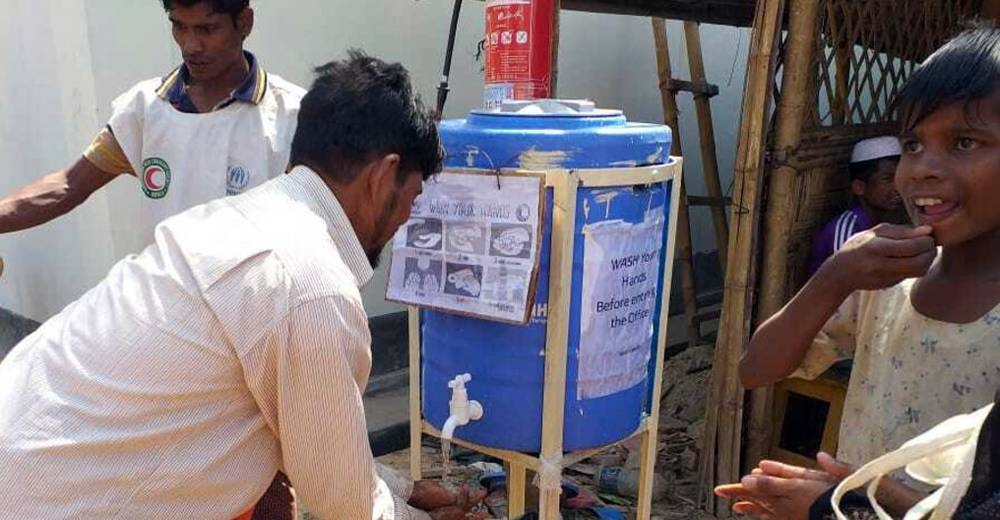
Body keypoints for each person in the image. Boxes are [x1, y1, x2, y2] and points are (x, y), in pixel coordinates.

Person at [0, 51, 484, 520]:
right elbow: (345, 506)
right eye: (413, 197)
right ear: (383, 176)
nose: (406, 219)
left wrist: (402, 488)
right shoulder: (310, 284)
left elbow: (319, 450)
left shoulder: (244, 219)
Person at [729, 25, 1000, 518]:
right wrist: (834, 278)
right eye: (913, 144)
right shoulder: (879, 274)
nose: (921, 168)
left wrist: (850, 505)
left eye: (963, 142)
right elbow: (756, 370)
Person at [0, 0, 304, 243]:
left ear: (245, 23)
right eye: (179, 26)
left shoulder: (293, 116)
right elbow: (69, 185)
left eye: (207, 29)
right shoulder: (147, 109)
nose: (190, 45)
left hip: (254, 313)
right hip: (164, 311)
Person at [806, 136, 905, 275]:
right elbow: (843, 285)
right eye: (887, 179)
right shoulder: (848, 229)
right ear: (859, 187)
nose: (898, 187)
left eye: (899, 178)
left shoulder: (881, 223)